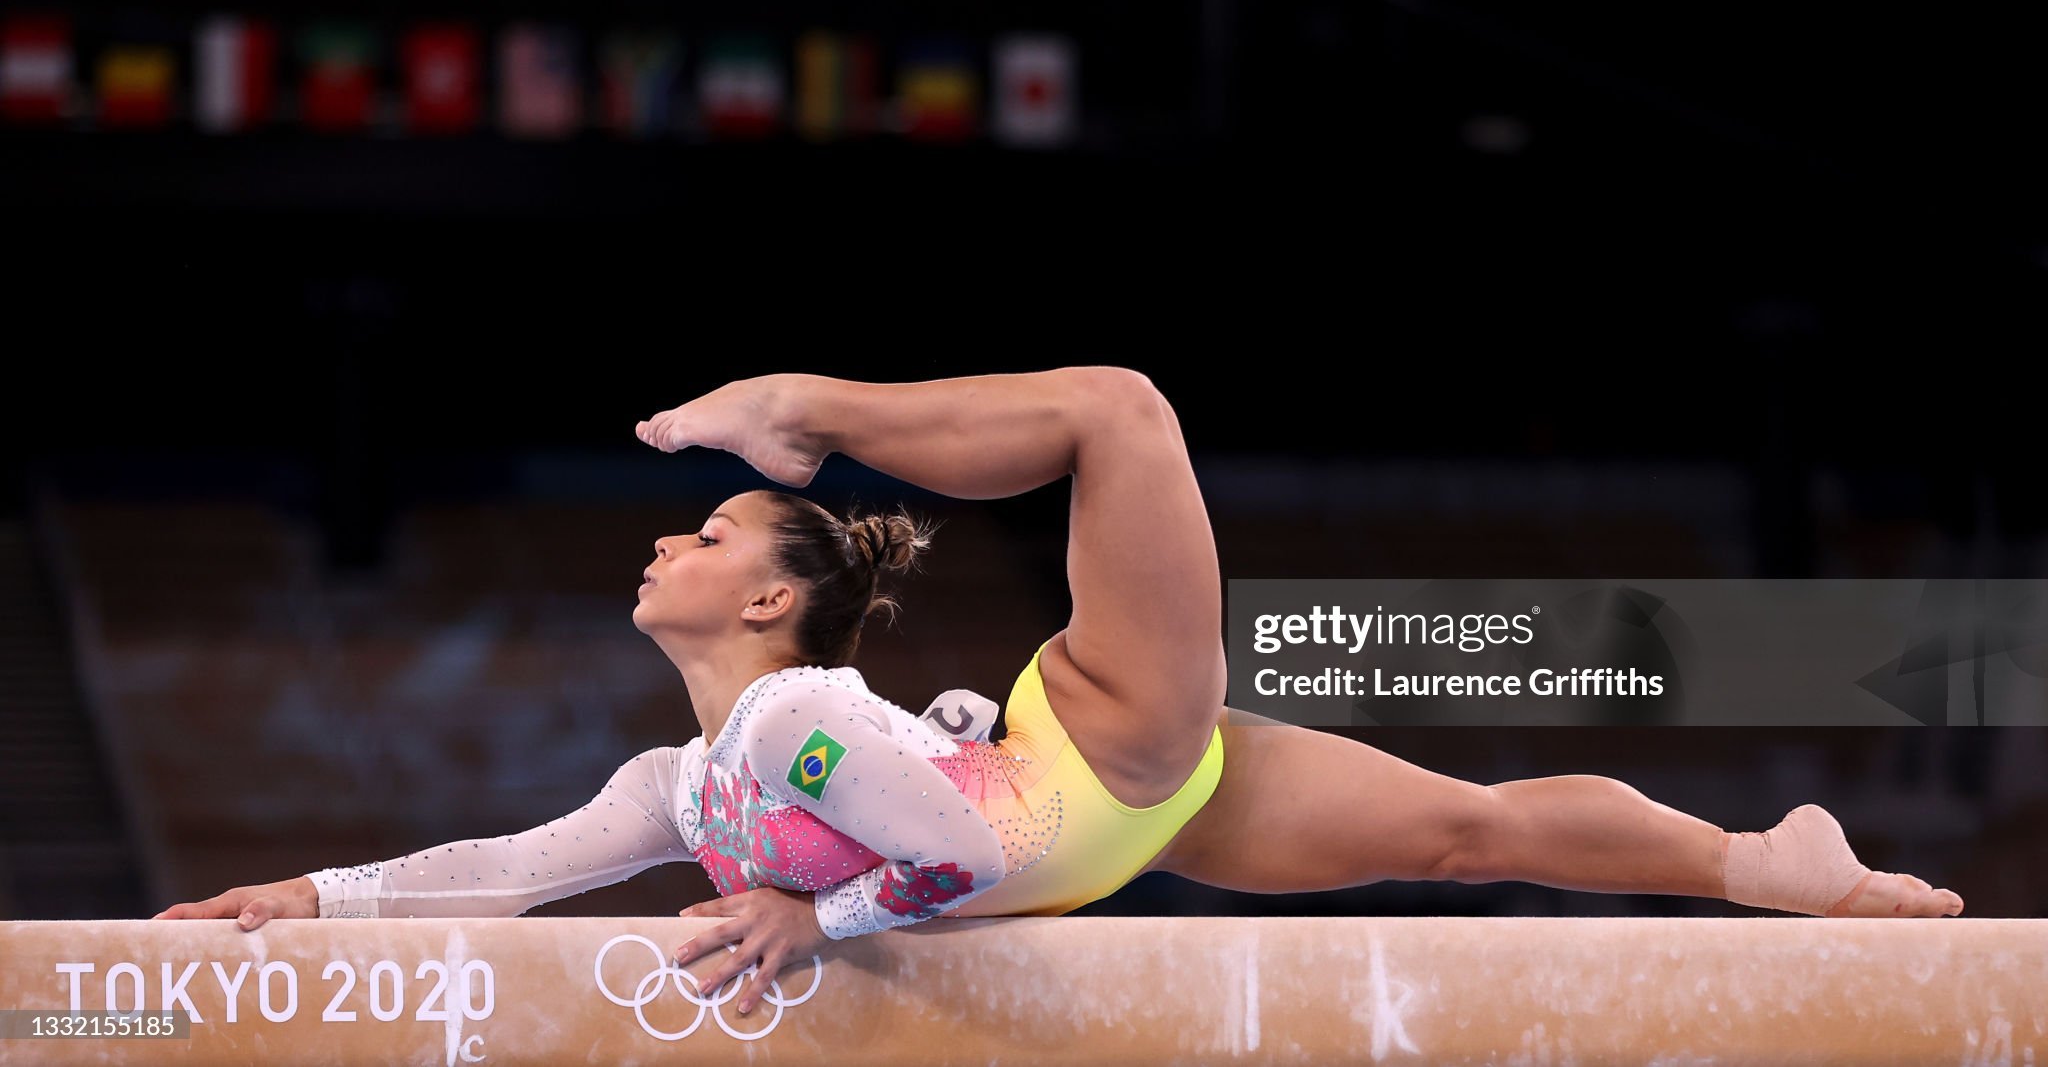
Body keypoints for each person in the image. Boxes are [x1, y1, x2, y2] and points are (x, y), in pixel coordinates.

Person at [156, 367, 1963, 1020]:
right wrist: (311, 897)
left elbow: (955, 861)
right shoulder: (686, 780)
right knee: (1467, 832)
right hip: (1103, 806)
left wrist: (811, 911)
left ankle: (812, 406)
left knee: (1119, 410)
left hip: (1092, 754)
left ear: (774, 596)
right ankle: (1766, 864)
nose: (661, 543)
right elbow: (509, 867)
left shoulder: (789, 722)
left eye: (701, 528)